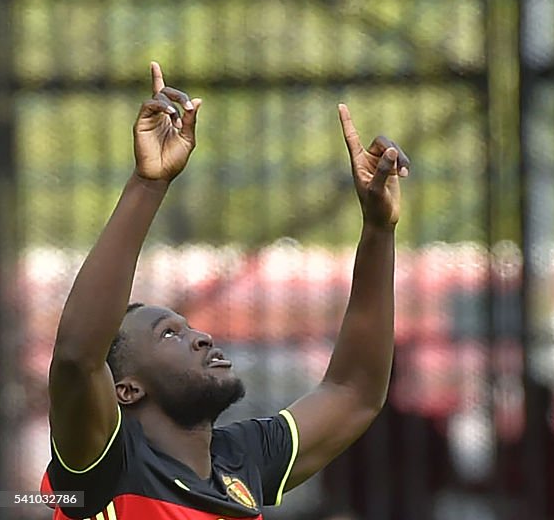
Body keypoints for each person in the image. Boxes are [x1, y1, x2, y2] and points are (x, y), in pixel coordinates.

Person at [41, 62, 410, 520]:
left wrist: (378, 230)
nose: (200, 336)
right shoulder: (103, 465)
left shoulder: (241, 462)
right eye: (169, 334)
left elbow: (354, 392)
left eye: (188, 326)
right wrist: (148, 183)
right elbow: (78, 356)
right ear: (127, 389)